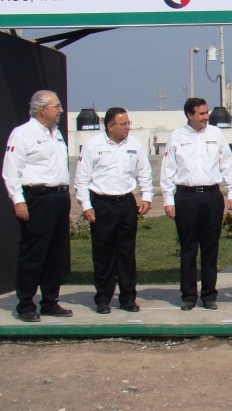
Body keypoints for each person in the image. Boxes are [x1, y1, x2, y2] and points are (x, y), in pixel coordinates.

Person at [161, 97, 232, 311]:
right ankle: (188, 295)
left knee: (210, 247)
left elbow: (227, 163)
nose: (206, 117)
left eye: (207, 113)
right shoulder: (176, 137)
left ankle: (209, 295)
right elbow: (168, 168)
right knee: (188, 247)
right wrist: (168, 198)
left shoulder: (216, 134)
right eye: (202, 114)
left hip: (212, 196)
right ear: (190, 115)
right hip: (186, 197)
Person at [73, 107, 153, 314]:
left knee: (126, 253)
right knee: (103, 254)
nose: (128, 127)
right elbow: (81, 179)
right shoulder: (93, 145)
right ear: (110, 126)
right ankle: (103, 298)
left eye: (128, 123)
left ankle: (128, 298)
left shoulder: (134, 144)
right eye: (123, 124)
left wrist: (147, 196)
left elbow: (144, 171)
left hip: (126, 203)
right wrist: (86, 205)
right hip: (102, 204)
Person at [1, 90, 72, 322]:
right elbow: (11, 172)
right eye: (57, 106)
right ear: (42, 109)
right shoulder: (22, 134)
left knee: (55, 253)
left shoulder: (56, 133)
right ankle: (25, 305)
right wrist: (19, 200)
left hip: (59, 197)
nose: (61, 110)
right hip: (37, 198)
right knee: (34, 254)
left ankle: (50, 301)